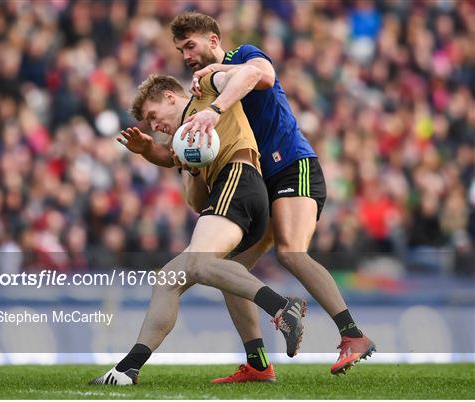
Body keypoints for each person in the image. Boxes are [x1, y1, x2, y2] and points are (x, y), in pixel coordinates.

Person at [117, 12, 375, 380]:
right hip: (259, 183)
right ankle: (258, 363)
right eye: (181, 49)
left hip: (291, 165)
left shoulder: (240, 58)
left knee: (290, 252)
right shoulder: (202, 91)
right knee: (230, 271)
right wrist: (149, 150)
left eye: (191, 45)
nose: (187, 55)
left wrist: (215, 109)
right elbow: (176, 155)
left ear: (212, 39)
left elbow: (262, 75)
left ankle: (352, 335)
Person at [90, 70, 307, 386]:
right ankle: (129, 368)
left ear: (169, 97)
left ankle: (282, 309)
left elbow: (252, 73)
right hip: (234, 196)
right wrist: (154, 152)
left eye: (153, 115)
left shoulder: (204, 94)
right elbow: (195, 202)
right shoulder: (184, 141)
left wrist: (215, 101)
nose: (154, 126)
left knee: (200, 262)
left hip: (240, 180)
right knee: (169, 279)